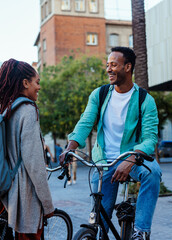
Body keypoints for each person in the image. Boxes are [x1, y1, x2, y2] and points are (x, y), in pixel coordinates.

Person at [60, 47, 161, 240]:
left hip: (133, 158)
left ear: (128, 67)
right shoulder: (99, 94)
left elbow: (150, 138)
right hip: (104, 161)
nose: (108, 69)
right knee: (99, 226)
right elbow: (85, 122)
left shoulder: (145, 100)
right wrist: (70, 147)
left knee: (152, 173)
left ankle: (141, 231)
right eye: (107, 65)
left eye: (114, 65)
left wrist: (131, 159)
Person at [0, 59, 54, 239]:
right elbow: (35, 164)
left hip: (1, 191)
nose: (39, 87)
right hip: (23, 196)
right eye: (37, 82)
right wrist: (48, 204)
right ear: (25, 83)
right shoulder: (28, 110)